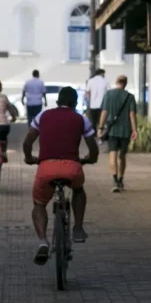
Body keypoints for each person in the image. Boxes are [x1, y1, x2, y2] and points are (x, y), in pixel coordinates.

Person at [23, 87, 99, 265]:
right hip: (71, 167)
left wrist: (29, 158)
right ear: (74, 103)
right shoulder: (81, 119)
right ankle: (78, 228)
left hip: (45, 168)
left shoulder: (42, 116)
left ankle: (43, 241)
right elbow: (93, 147)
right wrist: (90, 159)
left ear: (57, 101)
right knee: (78, 190)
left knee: (39, 204)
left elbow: (28, 141)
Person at [98, 75, 137, 192]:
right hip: (125, 130)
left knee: (112, 155)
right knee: (122, 156)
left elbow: (104, 112)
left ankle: (114, 180)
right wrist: (135, 130)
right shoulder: (130, 97)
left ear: (116, 82)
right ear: (125, 83)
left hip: (112, 130)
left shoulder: (108, 95)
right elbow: (132, 115)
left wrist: (100, 127)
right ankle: (120, 180)